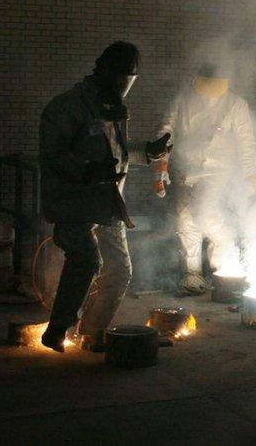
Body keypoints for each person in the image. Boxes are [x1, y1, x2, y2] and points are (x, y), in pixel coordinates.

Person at [38, 41, 171, 352]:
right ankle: (57, 329)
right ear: (105, 72)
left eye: (130, 79)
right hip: (73, 203)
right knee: (86, 260)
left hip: (107, 203)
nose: (125, 85)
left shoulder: (113, 110)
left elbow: (118, 156)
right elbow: (52, 156)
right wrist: (87, 170)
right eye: (122, 77)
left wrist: (148, 152)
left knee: (121, 269)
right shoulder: (67, 108)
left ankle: (93, 333)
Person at [154, 63, 256, 295]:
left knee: (207, 214)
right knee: (186, 221)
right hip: (185, 170)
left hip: (218, 173)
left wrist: (250, 173)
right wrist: (161, 163)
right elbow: (166, 131)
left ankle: (225, 267)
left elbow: (246, 141)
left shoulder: (235, 104)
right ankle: (192, 274)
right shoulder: (183, 101)